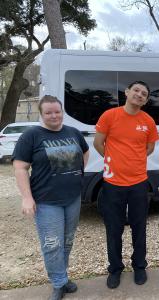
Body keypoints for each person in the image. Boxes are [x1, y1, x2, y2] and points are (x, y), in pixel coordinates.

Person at [13, 95, 89, 300]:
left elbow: (85, 151)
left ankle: (62, 277)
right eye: (48, 112)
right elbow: (20, 167)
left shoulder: (72, 132)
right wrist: (26, 198)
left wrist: (78, 174)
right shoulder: (31, 136)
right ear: (41, 114)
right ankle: (58, 283)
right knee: (52, 243)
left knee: (66, 241)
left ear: (62, 111)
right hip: (46, 201)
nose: (54, 116)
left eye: (57, 111)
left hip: (72, 198)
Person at [93, 81, 159, 289]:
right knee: (114, 228)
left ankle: (139, 266)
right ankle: (115, 268)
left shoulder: (148, 121)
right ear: (127, 92)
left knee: (139, 227)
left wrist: (133, 159)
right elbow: (98, 143)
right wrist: (113, 159)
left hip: (139, 183)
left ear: (146, 100)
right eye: (136, 91)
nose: (140, 95)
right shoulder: (109, 116)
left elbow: (149, 148)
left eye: (144, 94)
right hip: (113, 183)